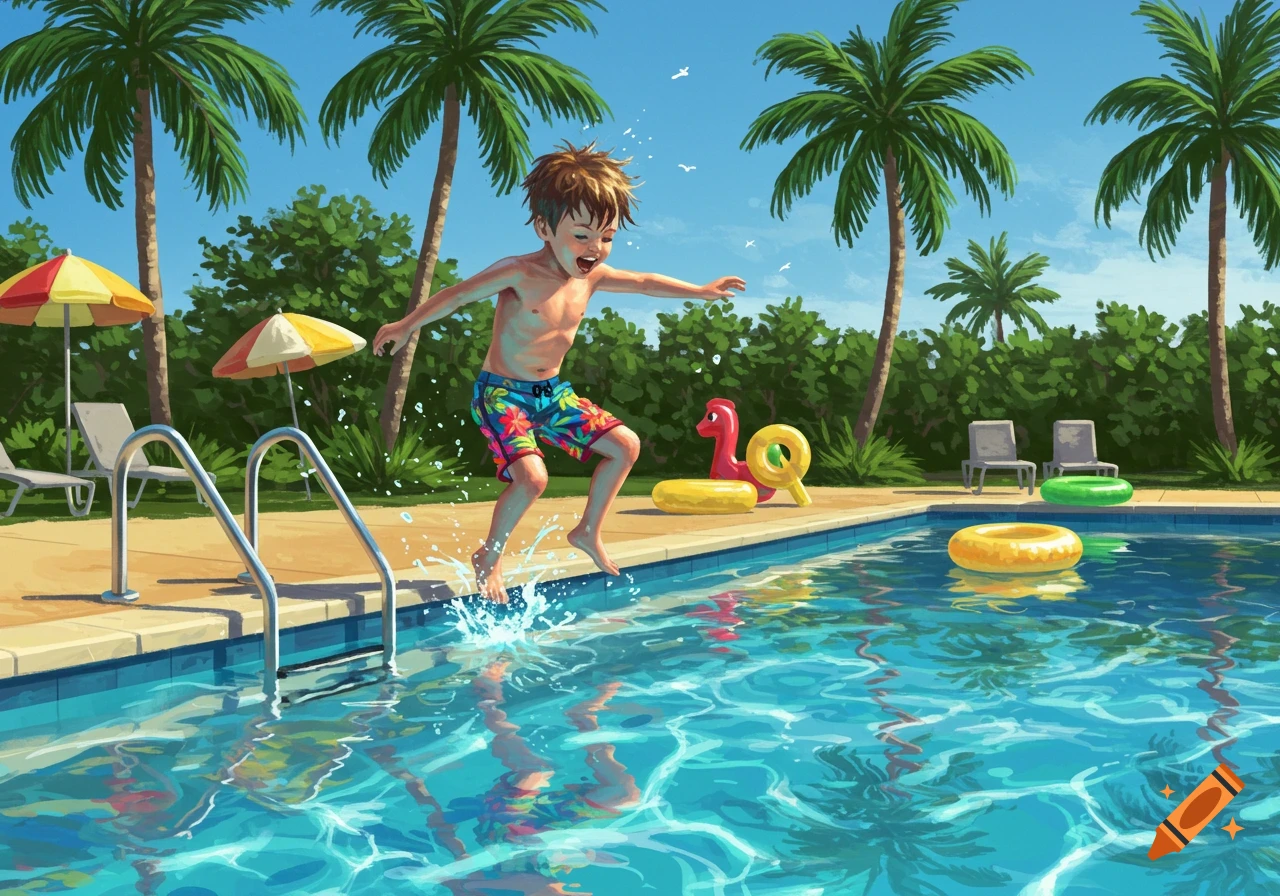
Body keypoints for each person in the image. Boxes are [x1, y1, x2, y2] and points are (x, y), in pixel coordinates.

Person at [373, 141, 745, 602]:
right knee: (533, 478)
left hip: (552, 395)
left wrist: (701, 290)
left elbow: (647, 283)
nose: (596, 249)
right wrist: (407, 325)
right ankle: (489, 555)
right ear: (544, 227)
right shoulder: (518, 271)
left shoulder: (593, 277)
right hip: (502, 395)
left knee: (625, 445)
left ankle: (587, 530)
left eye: (606, 237)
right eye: (583, 236)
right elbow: (456, 296)